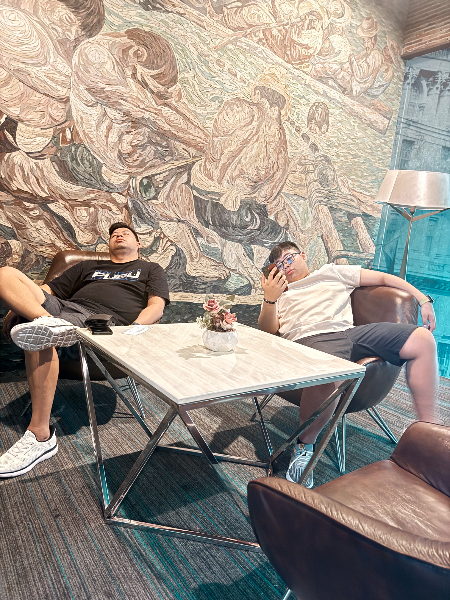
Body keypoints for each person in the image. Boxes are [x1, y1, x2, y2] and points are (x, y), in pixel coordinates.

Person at [258, 241, 438, 488]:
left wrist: (422, 299)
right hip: (310, 340)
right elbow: (268, 330)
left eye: (289, 258)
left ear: (303, 255)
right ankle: (304, 446)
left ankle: (429, 434)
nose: (285, 266)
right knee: (330, 371)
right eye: (278, 265)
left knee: (422, 339)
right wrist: (269, 299)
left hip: (350, 333)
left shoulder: (331, 272)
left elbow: (384, 279)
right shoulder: (278, 293)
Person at [0, 222, 170, 478]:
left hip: (100, 322)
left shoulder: (150, 269)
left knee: (39, 333)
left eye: (125, 233)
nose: (119, 235)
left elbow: (156, 305)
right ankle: (47, 323)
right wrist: (20, 305)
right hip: (61, 309)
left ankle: (41, 436)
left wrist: (133, 330)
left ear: (138, 244)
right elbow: (48, 290)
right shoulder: (88, 266)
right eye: (114, 234)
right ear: (108, 245)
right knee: (6, 274)